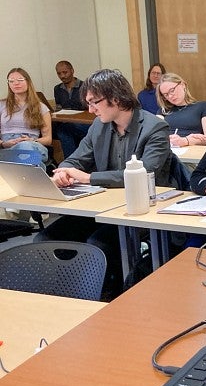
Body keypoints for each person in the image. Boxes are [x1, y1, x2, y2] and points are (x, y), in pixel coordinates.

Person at [36, 68, 172, 298]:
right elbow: (78, 157)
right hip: (104, 205)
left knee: (98, 243)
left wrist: (88, 178)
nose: (90, 110)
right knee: (45, 238)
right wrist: (63, 170)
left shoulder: (154, 127)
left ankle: (106, 299)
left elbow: (146, 171)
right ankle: (66, 295)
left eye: (94, 102)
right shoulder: (99, 125)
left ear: (116, 99)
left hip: (141, 210)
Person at [1, 68, 53, 166]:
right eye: (11, 81)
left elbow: (48, 139)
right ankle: (38, 176)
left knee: (26, 148)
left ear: (28, 82)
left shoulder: (41, 107)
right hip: (7, 147)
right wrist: (4, 143)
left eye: (20, 80)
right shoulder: (1, 105)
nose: (16, 83)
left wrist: (32, 140)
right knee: (31, 160)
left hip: (32, 144)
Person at [156, 72, 206, 147]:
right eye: (166, 95)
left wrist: (186, 141)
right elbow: (154, 135)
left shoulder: (203, 106)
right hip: (168, 150)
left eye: (172, 90)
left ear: (182, 85)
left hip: (192, 151)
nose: (170, 96)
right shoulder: (163, 111)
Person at [53, 60, 90, 158]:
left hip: (84, 123)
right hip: (66, 122)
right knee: (63, 131)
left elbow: (90, 108)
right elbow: (59, 108)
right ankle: (72, 164)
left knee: (63, 131)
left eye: (65, 72)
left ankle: (69, 164)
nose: (62, 76)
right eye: (59, 73)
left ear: (72, 71)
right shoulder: (57, 89)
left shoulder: (84, 86)